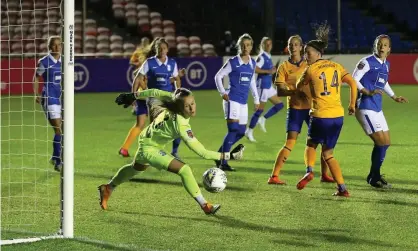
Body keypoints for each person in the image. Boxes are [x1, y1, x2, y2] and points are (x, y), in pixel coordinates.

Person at [99, 88, 245, 215]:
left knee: (135, 168)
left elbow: (154, 93)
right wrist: (230, 155)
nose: (192, 108)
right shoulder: (181, 125)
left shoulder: (175, 98)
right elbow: (202, 152)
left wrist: (134, 95)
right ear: (180, 108)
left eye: (193, 103)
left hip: (147, 138)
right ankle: (205, 205)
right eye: (188, 106)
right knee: (185, 170)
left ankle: (108, 187)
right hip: (150, 147)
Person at [295, 23, 358, 197]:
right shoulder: (336, 66)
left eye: (308, 53)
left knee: (311, 144)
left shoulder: (310, 69)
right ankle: (342, 188)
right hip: (337, 116)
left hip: (320, 115)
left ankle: (309, 171)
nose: (305, 56)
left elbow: (298, 86)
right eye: (305, 53)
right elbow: (353, 83)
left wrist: (303, 84)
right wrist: (352, 104)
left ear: (318, 53)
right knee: (328, 154)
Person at [268, 35, 334, 185]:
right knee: (290, 142)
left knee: (324, 141)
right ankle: (274, 176)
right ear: (288, 46)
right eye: (291, 44)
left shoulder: (309, 63)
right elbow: (280, 92)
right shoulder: (284, 67)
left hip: (313, 109)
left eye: (296, 44)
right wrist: (295, 92)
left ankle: (324, 174)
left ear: (301, 47)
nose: (293, 47)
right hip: (295, 110)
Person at [352, 34, 408, 188]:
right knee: (380, 142)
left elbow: (384, 82)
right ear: (375, 46)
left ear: (389, 49)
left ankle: (374, 175)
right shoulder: (366, 62)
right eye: (379, 44)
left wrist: (394, 97)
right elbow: (353, 79)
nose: (381, 47)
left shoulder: (386, 64)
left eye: (384, 45)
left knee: (386, 142)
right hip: (364, 106)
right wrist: (367, 92)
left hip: (377, 107)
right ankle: (374, 177)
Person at [119, 38, 185, 158]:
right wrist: (133, 95)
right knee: (154, 125)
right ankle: (149, 151)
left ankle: (174, 152)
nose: (161, 50)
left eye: (164, 48)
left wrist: (178, 92)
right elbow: (137, 77)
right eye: (159, 48)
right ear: (155, 49)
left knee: (177, 123)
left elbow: (173, 79)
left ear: (167, 49)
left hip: (167, 98)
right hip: (152, 98)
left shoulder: (171, 63)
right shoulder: (149, 62)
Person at [215, 33, 260, 171]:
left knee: (241, 132)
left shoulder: (252, 63)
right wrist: (223, 93)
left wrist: (256, 99)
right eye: (243, 45)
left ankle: (219, 154)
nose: (245, 47)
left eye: (248, 45)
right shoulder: (233, 62)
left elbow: (252, 81)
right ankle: (223, 162)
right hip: (232, 100)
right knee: (233, 129)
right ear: (239, 46)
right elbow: (218, 76)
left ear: (251, 47)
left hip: (243, 102)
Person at [245, 37, 284, 142]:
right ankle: (249, 131)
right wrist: (268, 71)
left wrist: (272, 71)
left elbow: (269, 71)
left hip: (268, 86)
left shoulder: (268, 56)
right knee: (258, 111)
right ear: (262, 45)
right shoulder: (261, 57)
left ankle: (263, 119)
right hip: (262, 87)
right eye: (266, 44)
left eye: (270, 44)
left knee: (280, 105)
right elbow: (255, 68)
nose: (268, 46)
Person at [33, 36, 62, 171]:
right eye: (54, 45)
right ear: (50, 47)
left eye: (59, 45)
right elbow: (36, 77)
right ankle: (58, 161)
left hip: (59, 97)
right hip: (49, 97)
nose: (57, 47)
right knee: (59, 130)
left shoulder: (64, 61)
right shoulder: (44, 62)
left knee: (61, 130)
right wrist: (36, 93)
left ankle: (55, 157)